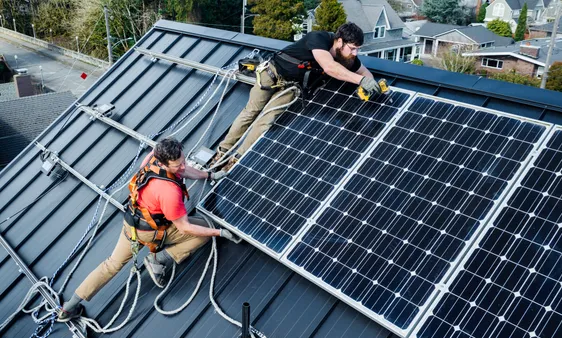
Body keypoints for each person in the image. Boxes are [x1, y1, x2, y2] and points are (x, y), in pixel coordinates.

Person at [57, 138, 235, 322]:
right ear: (164, 163)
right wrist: (219, 232)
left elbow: (184, 170)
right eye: (177, 165)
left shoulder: (154, 158)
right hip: (153, 231)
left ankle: (69, 307)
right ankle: (158, 259)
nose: (182, 166)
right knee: (205, 230)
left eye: (183, 161)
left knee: (111, 265)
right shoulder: (169, 192)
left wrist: (209, 176)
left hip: (131, 225)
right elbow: (185, 227)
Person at [213, 22, 382, 170]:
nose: (355, 53)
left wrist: (372, 84)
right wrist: (360, 80)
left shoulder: (345, 57)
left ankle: (236, 161)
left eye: (358, 49)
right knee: (250, 112)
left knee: (265, 121)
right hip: (271, 75)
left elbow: (364, 73)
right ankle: (221, 153)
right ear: (339, 41)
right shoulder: (318, 39)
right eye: (352, 48)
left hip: (291, 88)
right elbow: (329, 67)